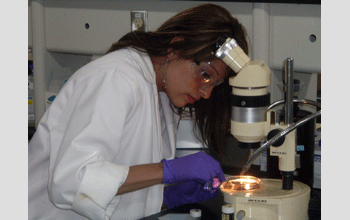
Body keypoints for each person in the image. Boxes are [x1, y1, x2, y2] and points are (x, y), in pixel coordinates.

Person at [28, 3, 249, 220]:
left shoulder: (162, 95)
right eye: (205, 75)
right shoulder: (116, 78)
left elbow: (117, 182)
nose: (207, 93)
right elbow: (71, 182)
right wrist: (167, 170)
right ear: (176, 47)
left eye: (214, 84)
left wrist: (166, 198)